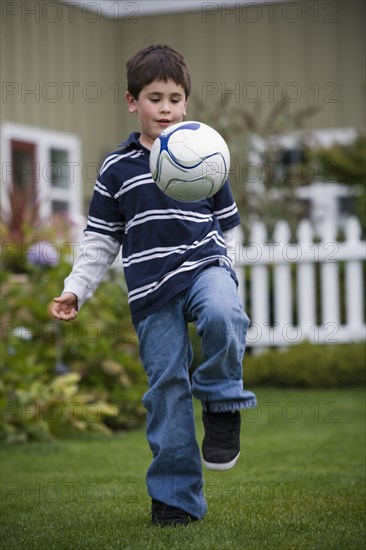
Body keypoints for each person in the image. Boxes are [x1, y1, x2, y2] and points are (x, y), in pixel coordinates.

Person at [51, 44, 256, 527]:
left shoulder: (208, 153)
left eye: (175, 98)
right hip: (149, 291)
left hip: (205, 266)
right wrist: (75, 288)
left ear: (187, 103)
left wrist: (229, 277)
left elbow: (228, 230)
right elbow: (100, 240)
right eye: (154, 97)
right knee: (166, 389)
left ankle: (224, 402)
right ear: (131, 101)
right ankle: (175, 499)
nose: (165, 108)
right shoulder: (116, 169)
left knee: (225, 316)